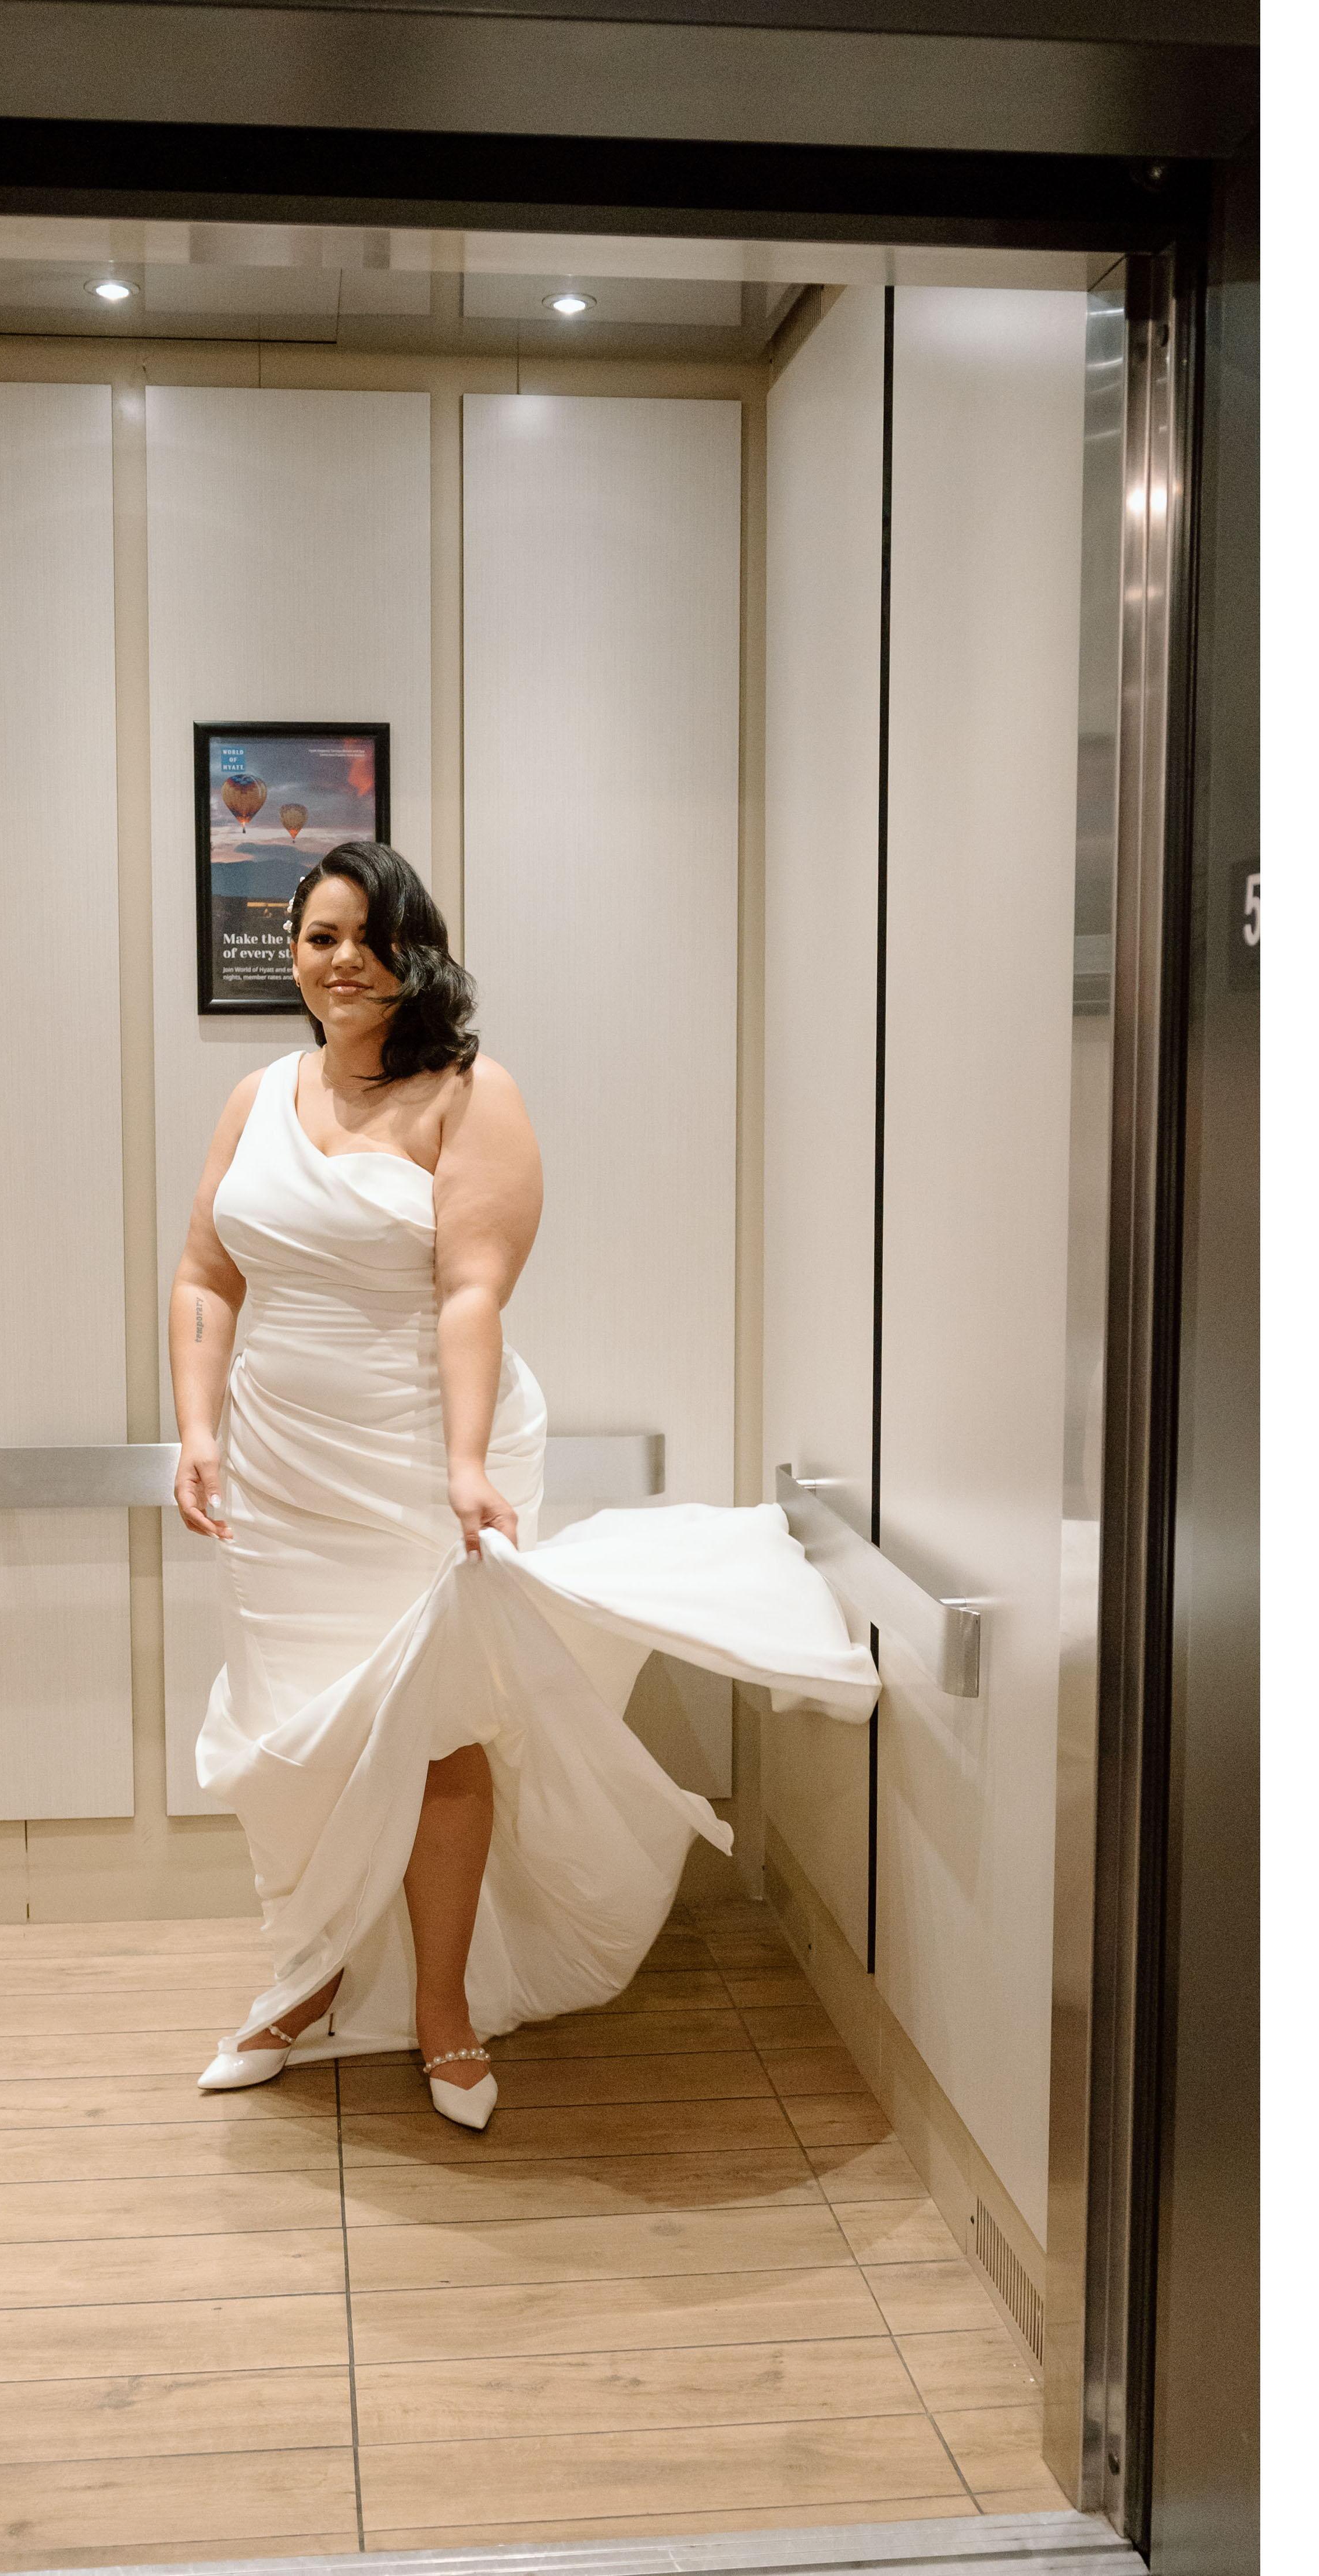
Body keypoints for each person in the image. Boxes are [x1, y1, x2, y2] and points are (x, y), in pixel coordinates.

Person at [169, 842, 876, 2131]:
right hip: (278, 1473)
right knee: (292, 1733)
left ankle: (444, 2007)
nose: (341, 960)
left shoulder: (467, 1093)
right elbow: (205, 1276)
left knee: (437, 1723)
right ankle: (308, 1976)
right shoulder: (255, 1097)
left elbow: (469, 1293)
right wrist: (197, 1429)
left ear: (415, 950)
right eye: (319, 937)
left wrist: (463, 1464)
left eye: (369, 936)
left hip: (413, 1458)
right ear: (294, 954)